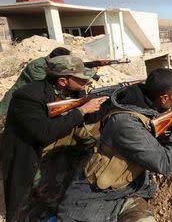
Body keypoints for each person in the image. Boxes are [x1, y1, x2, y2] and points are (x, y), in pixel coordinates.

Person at [57, 68, 172, 221]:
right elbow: (165, 163)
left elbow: (161, 128)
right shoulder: (125, 122)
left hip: (128, 194)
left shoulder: (142, 105)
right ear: (164, 98)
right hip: (91, 203)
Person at [0, 55, 108, 222]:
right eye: (80, 79)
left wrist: (100, 104)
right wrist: (81, 111)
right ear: (63, 81)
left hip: (56, 153)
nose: (85, 82)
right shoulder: (27, 96)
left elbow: (89, 120)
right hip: (27, 154)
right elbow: (44, 132)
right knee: (23, 207)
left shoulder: (73, 90)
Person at [0, 47, 71, 117]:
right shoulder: (38, 65)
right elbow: (47, 85)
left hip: (27, 100)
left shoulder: (52, 65)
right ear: (57, 60)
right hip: (13, 100)